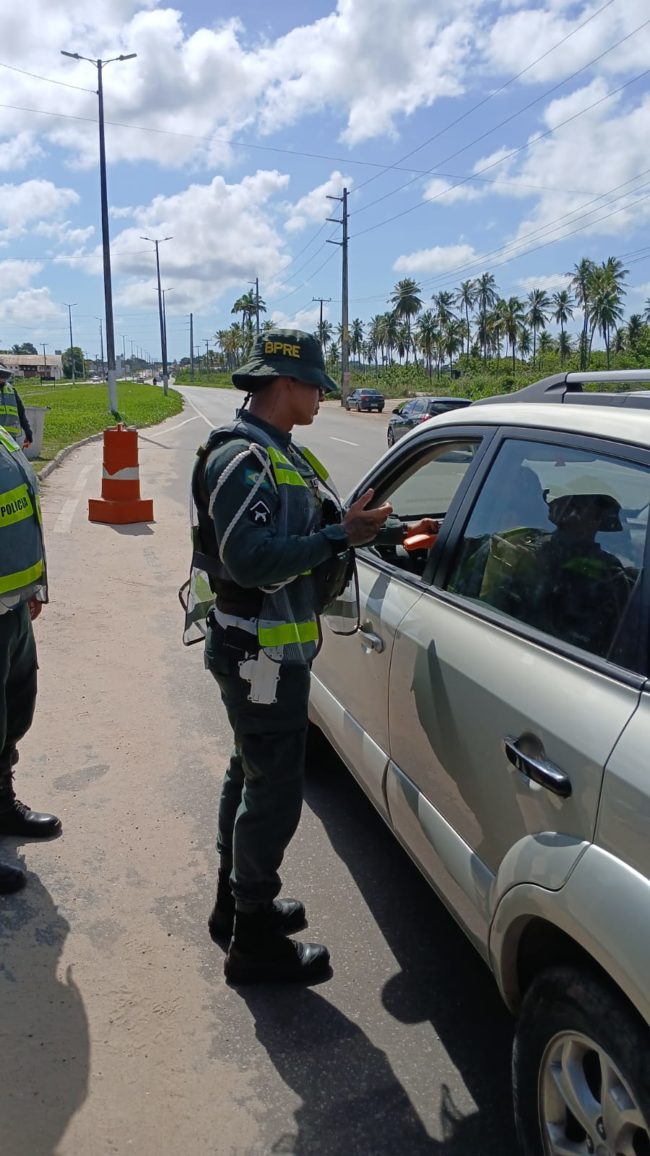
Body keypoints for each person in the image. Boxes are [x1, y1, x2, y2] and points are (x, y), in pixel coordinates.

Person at [186, 329, 435, 983]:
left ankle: (234, 906)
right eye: (316, 386)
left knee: (249, 776)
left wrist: (385, 533)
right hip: (257, 655)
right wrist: (335, 534)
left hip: (267, 647)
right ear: (284, 384)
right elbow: (251, 559)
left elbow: (325, 528)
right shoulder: (244, 460)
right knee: (274, 793)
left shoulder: (282, 454)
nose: (324, 397)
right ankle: (255, 941)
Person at [0, 422, 61, 895]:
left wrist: (31, 587)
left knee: (15, 710)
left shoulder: (2, 437)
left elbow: (23, 514)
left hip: (11, 607)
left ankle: (1, 801)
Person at [0, 363, 33, 451]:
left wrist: (28, 431)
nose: (1, 380)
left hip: (9, 437)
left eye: (3, 377)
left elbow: (20, 413)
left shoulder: (11, 390)